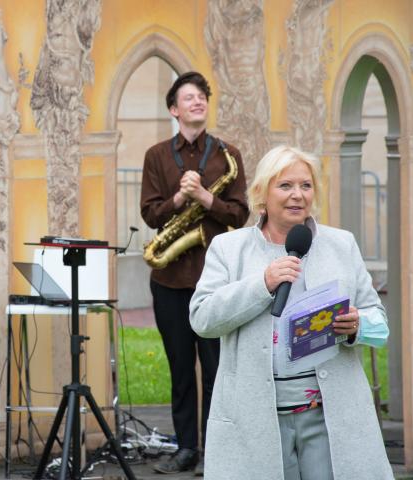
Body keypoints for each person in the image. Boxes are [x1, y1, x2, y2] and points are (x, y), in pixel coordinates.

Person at [189, 145, 392, 479]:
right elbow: (203, 319)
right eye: (285, 186)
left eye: (306, 185)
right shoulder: (229, 249)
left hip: (329, 418)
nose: (297, 195)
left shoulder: (342, 244)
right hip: (255, 420)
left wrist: (357, 326)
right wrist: (262, 284)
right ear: (261, 194)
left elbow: (379, 323)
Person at [140, 71, 249, 474]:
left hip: (217, 280)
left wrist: (206, 198)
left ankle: (218, 450)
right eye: (188, 97)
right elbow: (150, 213)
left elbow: (241, 213)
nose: (197, 101)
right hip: (169, 280)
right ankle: (186, 448)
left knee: (218, 369)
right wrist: (178, 199)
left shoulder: (228, 155)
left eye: (202, 96)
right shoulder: (156, 156)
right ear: (174, 109)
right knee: (181, 369)